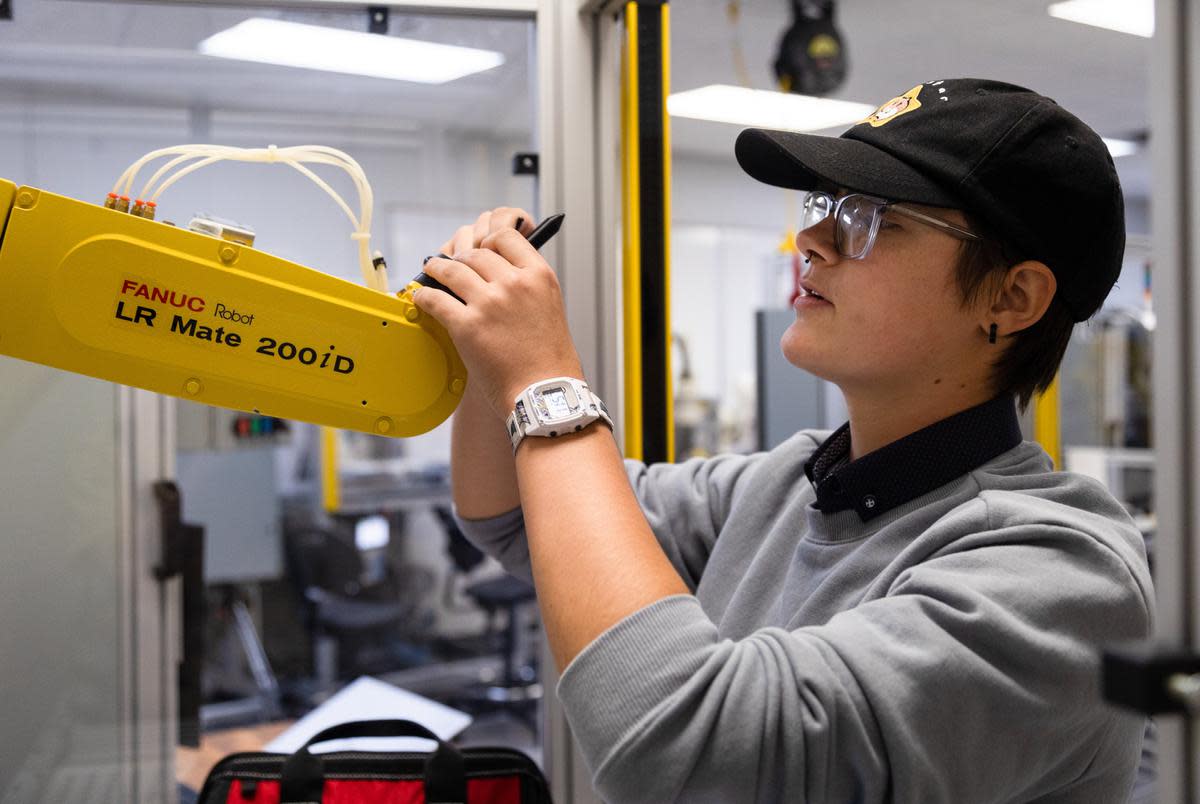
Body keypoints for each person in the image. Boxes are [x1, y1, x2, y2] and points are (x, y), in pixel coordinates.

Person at [411, 78, 1154, 803]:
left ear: (1011, 298)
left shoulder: (1060, 577)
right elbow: (511, 516)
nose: (812, 238)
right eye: (826, 204)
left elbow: (699, 760)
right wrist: (490, 352)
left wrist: (545, 385)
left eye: (873, 218)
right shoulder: (783, 484)